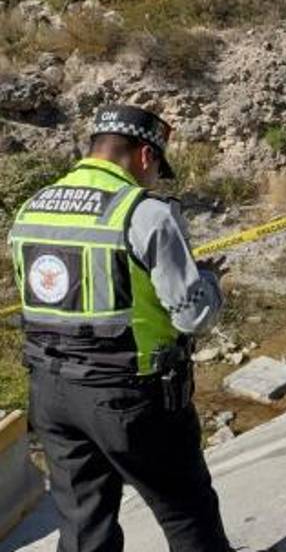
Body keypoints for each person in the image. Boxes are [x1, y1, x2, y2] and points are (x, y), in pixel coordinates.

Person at [8, 105, 232, 552]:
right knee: (185, 511)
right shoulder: (145, 213)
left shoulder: (33, 206)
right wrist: (209, 281)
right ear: (145, 156)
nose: (154, 180)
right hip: (132, 397)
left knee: (83, 524)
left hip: (51, 394)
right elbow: (192, 315)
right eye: (156, 170)